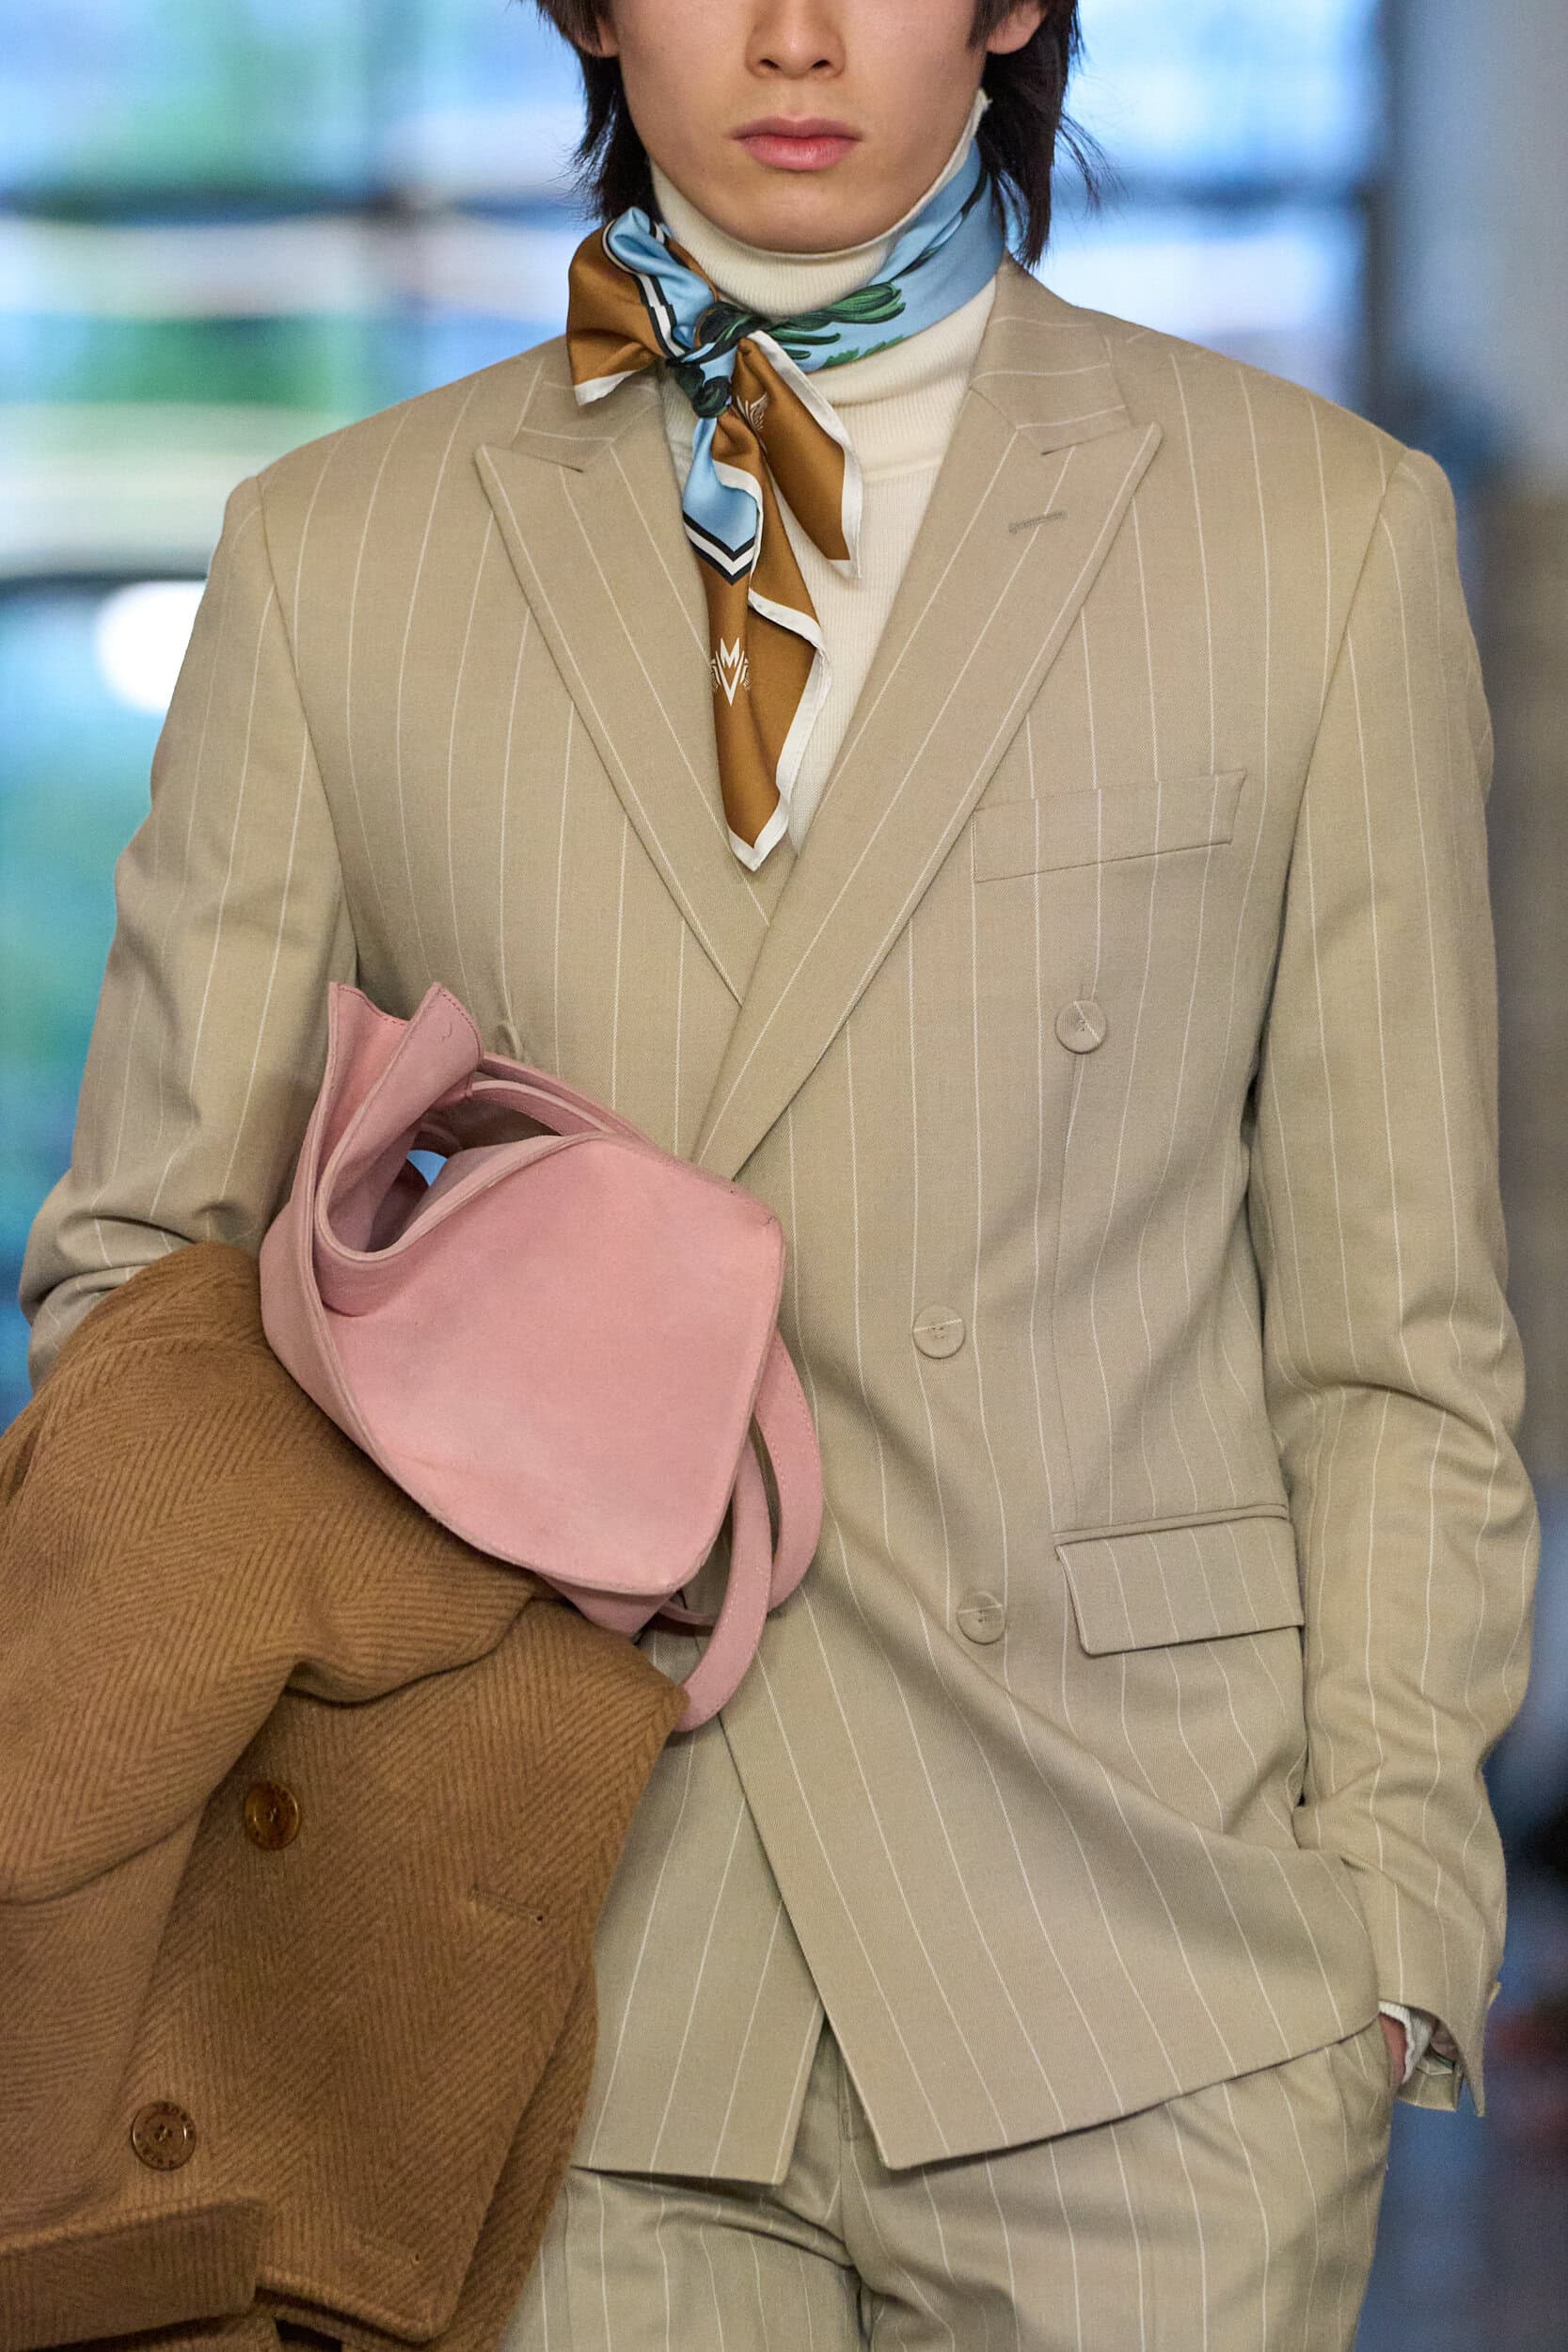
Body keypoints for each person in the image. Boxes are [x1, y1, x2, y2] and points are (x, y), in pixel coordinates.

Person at [20, 2, 1541, 2344]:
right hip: (545, 1976)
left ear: (1011, 6)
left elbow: (1396, 1330)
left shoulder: (1309, 529)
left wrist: (1396, 1925)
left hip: (1149, 1981)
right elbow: (149, 1277)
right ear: (592, 10)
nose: (800, 36)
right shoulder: (338, 553)